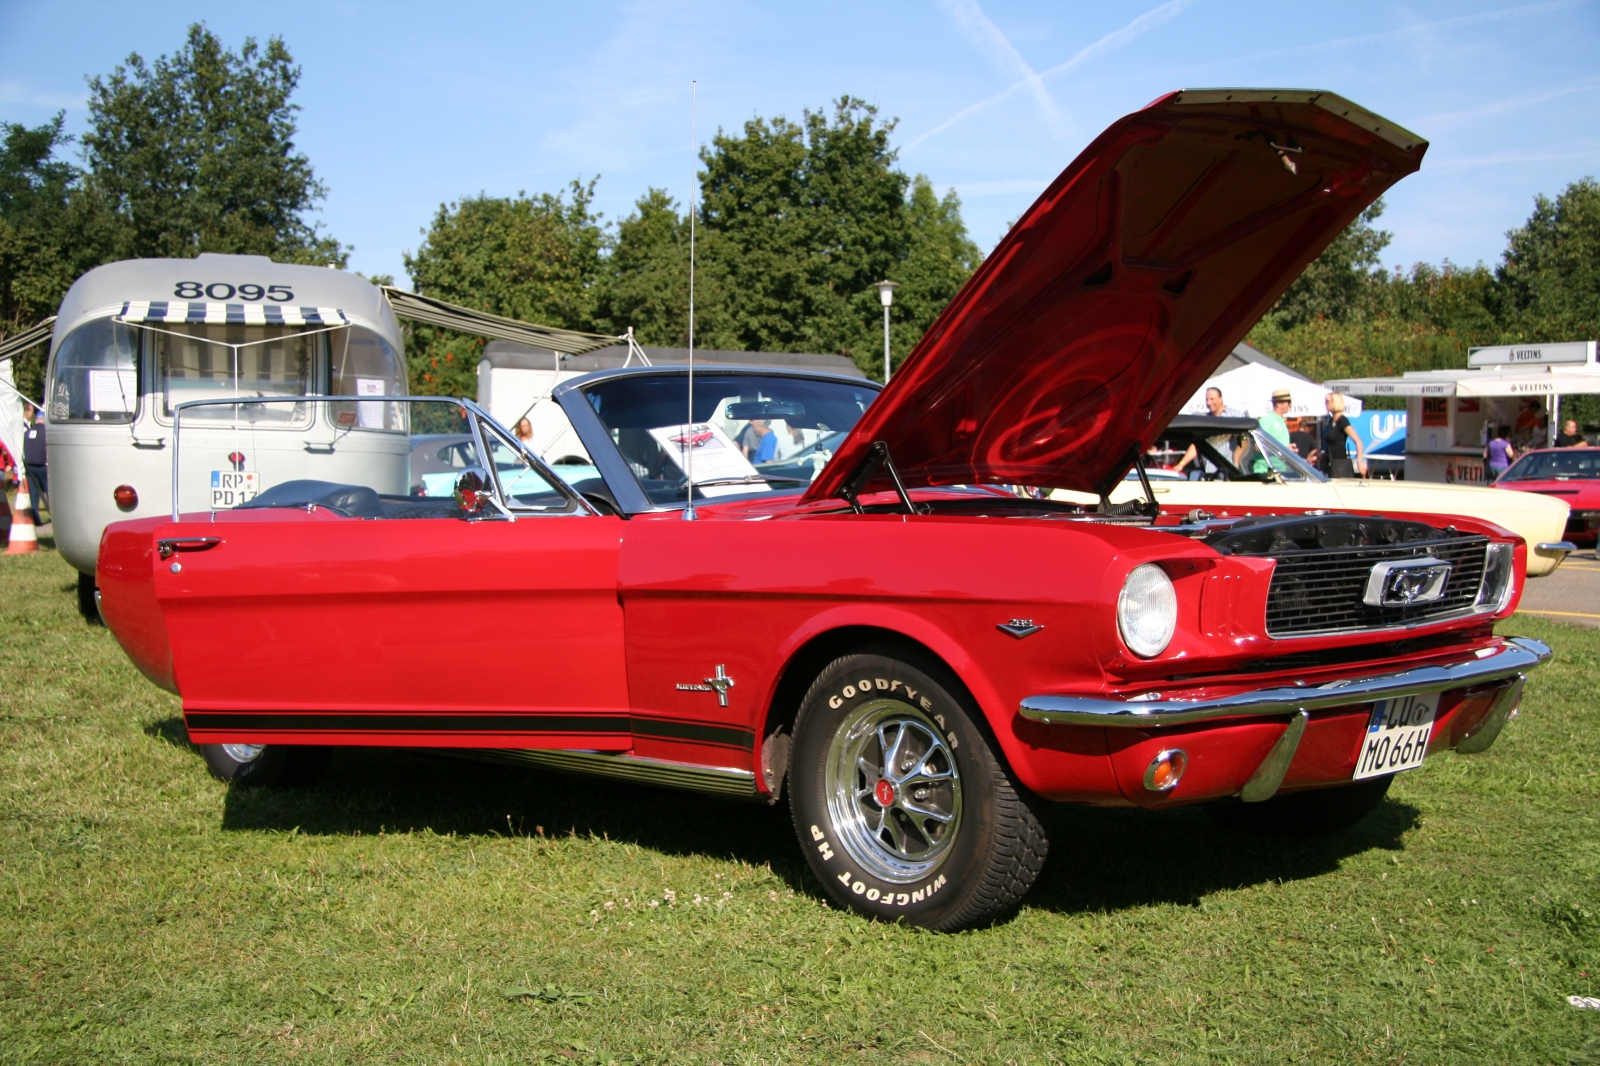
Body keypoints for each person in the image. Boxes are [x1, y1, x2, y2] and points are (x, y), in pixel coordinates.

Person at [1173, 387, 1231, 476]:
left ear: (1221, 398)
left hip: (1228, 471)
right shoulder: (1205, 419)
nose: (1208, 402)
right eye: (1207, 399)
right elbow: (1197, 444)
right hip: (1207, 471)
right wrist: (1181, 464)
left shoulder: (1235, 416)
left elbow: (1244, 441)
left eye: (1212, 399)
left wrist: (1237, 460)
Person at [1320, 392, 1367, 479]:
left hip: (1340, 465)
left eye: (1328, 401)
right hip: (1329, 463)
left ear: (1335, 402)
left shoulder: (1342, 420)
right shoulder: (1330, 421)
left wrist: (1359, 461)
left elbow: (1358, 441)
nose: (1326, 403)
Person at [21, 405, 46, 526]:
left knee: (33, 495)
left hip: (29, 467)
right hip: (43, 466)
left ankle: (35, 519)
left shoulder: (28, 432)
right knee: (49, 493)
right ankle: (57, 519)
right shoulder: (47, 433)